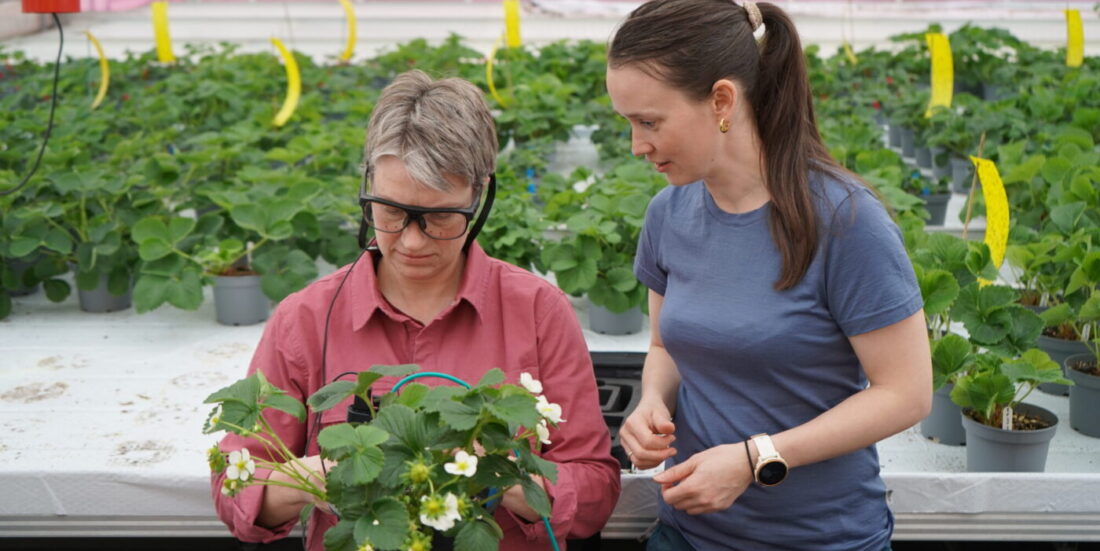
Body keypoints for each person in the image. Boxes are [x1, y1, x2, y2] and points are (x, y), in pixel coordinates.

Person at [211, 70, 621, 550]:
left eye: (440, 217)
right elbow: (232, 485)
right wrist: (309, 479)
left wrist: (504, 478)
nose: (410, 241)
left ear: (480, 196)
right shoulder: (306, 317)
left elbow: (595, 490)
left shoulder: (536, 310)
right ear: (367, 184)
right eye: (390, 210)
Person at [606, 1, 932, 550]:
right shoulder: (668, 214)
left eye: (649, 122)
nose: (637, 145)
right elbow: (665, 344)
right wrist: (651, 402)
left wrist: (757, 458)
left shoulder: (845, 221)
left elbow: (906, 393)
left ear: (722, 100)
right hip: (687, 534)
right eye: (629, 123)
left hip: (819, 539)